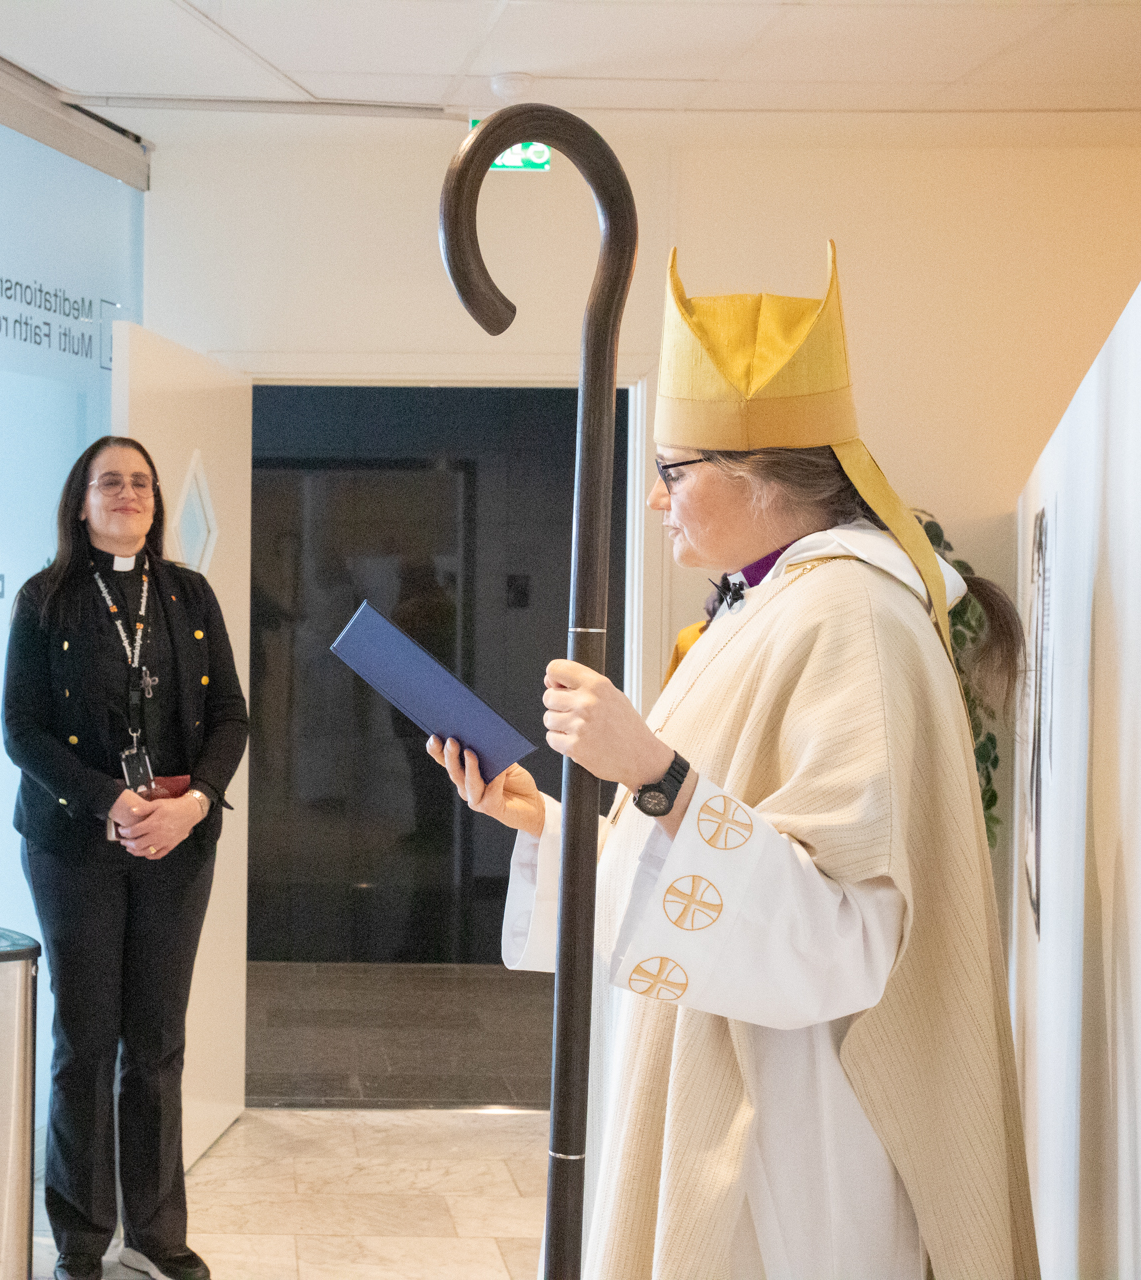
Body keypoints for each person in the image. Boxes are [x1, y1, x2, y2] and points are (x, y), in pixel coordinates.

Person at [432, 245, 1037, 1279]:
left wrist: (651, 770)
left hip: (796, 1136)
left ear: (761, 477)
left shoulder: (851, 618)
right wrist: (544, 820)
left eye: (674, 471)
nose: (655, 499)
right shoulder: (770, 607)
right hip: (732, 1076)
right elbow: (705, 844)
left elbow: (849, 937)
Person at [4, 437, 248, 1280]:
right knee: (84, 1041)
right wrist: (109, 799)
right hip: (75, 842)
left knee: (156, 1043)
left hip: (177, 840)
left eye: (141, 482)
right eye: (110, 481)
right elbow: (21, 729)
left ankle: (154, 1234)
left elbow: (232, 717)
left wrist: (194, 803)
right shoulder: (45, 598)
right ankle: (79, 1241)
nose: (128, 493)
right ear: (81, 502)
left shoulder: (188, 593)